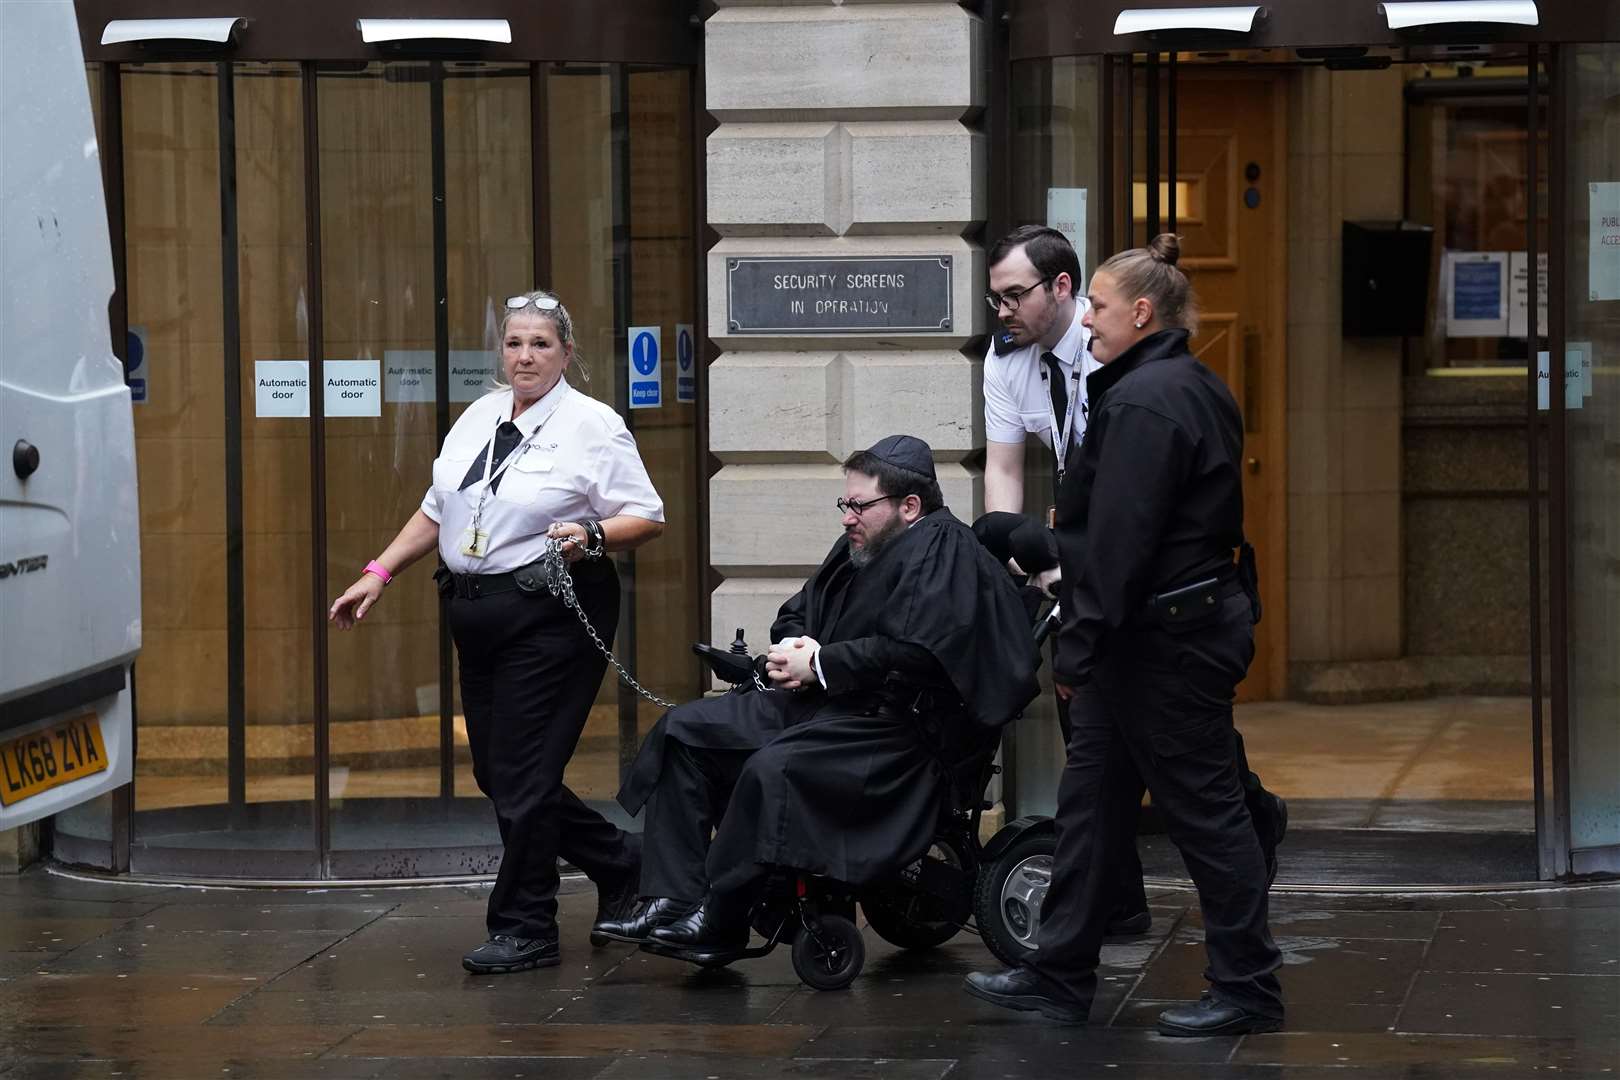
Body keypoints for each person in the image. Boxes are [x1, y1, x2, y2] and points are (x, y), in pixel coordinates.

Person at [965, 235, 1286, 1035]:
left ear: (1141, 312)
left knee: (1209, 817)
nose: (1090, 323)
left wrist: (1077, 647)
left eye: (1100, 309)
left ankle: (1247, 988)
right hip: (1147, 640)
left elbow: (1119, 548)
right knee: (1090, 809)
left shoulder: (1148, 401)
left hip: (1162, 647)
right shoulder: (1175, 385)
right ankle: (1059, 972)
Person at [592, 435, 1040, 956]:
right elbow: (799, 607)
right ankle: (672, 898)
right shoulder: (862, 542)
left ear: (909, 506)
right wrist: (792, 648)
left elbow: (917, 653)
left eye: (859, 505)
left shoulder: (944, 551)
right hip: (825, 705)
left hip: (893, 730)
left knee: (770, 769)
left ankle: (721, 919)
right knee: (684, 730)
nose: (847, 517)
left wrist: (822, 663)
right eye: (844, 504)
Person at [328, 290, 664, 975]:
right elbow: (437, 509)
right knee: (499, 772)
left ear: (567, 354)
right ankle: (622, 861)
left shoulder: (592, 425)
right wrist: (378, 572)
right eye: (515, 343)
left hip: (553, 614)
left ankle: (526, 926)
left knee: (525, 774)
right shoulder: (479, 416)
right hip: (475, 615)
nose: (526, 356)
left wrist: (592, 534)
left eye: (541, 343)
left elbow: (646, 515)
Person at [982, 225, 1152, 934]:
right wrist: (1015, 564)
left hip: (1126, 554)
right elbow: (1005, 468)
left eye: (1014, 295)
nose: (1003, 312)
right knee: (1092, 730)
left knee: (1148, 730)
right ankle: (1118, 903)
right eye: (994, 299)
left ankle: (1247, 811)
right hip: (1071, 553)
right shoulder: (1008, 359)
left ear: (1062, 288)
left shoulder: (1105, 341)